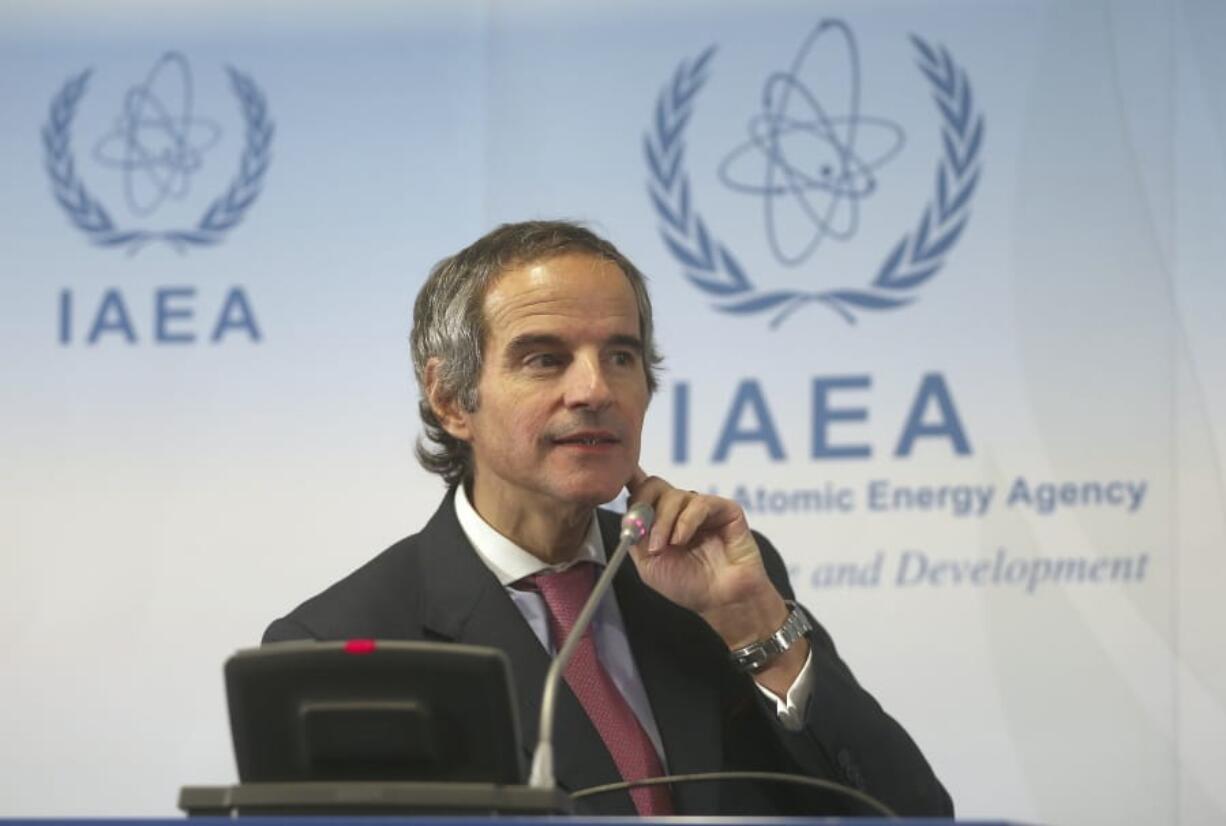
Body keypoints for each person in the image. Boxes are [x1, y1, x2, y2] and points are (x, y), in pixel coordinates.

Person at [264, 220, 952, 816]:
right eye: (545, 359)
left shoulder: (716, 577)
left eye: (620, 356)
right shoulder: (339, 646)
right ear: (450, 399)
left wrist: (756, 629)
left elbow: (911, 814)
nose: (595, 390)